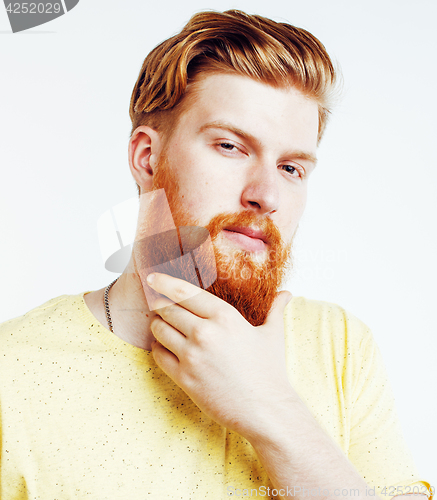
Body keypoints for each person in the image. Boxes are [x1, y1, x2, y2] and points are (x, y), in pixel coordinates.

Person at [0, 9, 432, 500]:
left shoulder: (339, 347)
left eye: (291, 168)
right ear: (147, 157)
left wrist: (273, 411)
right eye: (230, 146)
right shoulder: (11, 372)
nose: (265, 193)